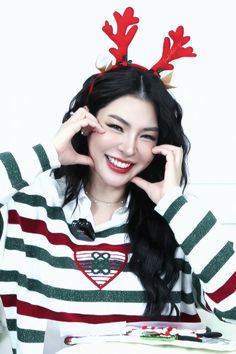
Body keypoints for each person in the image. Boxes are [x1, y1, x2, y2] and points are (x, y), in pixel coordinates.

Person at [0, 6, 235, 354]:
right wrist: (47, 153)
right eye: (115, 126)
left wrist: (174, 203)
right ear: (85, 123)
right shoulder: (27, 213)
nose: (128, 148)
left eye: (146, 136)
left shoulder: (178, 224)